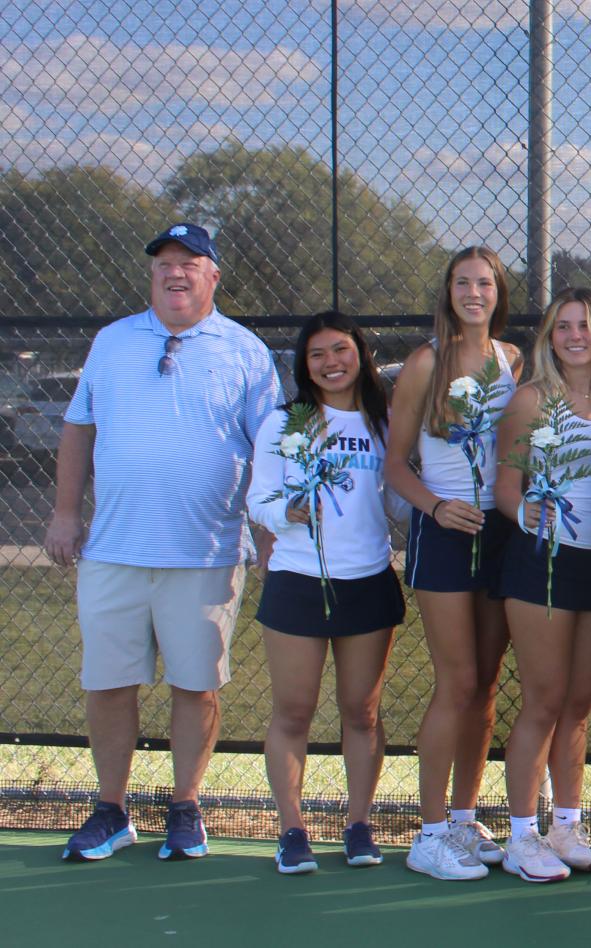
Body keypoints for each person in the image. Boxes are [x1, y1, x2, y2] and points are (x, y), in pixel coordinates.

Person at [50, 223, 283, 862]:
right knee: (108, 684)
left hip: (205, 555)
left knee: (196, 686)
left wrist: (269, 539)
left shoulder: (245, 351)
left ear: (214, 278)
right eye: (164, 264)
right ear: (151, 277)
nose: (175, 272)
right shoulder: (113, 341)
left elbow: (270, 452)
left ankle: (185, 807)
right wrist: (66, 514)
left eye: (191, 262)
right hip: (114, 552)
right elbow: (78, 428)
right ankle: (111, 810)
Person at [248, 311, 405, 874]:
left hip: (367, 581)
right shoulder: (285, 424)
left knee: (361, 712)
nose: (331, 362)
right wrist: (287, 513)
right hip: (297, 583)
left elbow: (399, 496)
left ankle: (359, 824)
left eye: (341, 349)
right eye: (318, 354)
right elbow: (258, 499)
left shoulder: (384, 421)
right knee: (294, 712)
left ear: (360, 354)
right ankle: (292, 830)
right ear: (304, 366)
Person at [384, 246, 521, 880]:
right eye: (463, 282)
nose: (474, 292)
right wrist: (437, 509)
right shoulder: (425, 364)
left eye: (485, 283)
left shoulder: (512, 361)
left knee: (487, 685)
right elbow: (394, 466)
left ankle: (465, 820)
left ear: (499, 293)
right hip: (444, 535)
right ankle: (429, 831)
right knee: (457, 682)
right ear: (448, 291)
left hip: (501, 534)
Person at [491, 288, 591, 883]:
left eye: (585, 326)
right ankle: (522, 834)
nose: (574, 336)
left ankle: (566, 823)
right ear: (548, 336)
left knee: (578, 704)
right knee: (543, 702)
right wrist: (527, 516)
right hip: (540, 562)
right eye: (562, 326)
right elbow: (504, 488)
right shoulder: (530, 401)